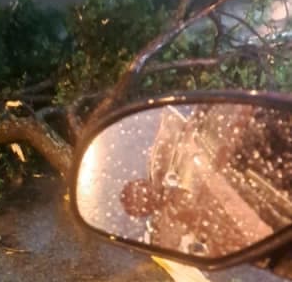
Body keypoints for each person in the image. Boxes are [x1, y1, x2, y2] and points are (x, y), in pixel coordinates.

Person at [120, 102, 292, 259]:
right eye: (140, 204)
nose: (146, 198)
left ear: (143, 183)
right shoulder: (169, 216)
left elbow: (172, 128)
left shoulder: (167, 168)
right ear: (143, 212)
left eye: (141, 193)